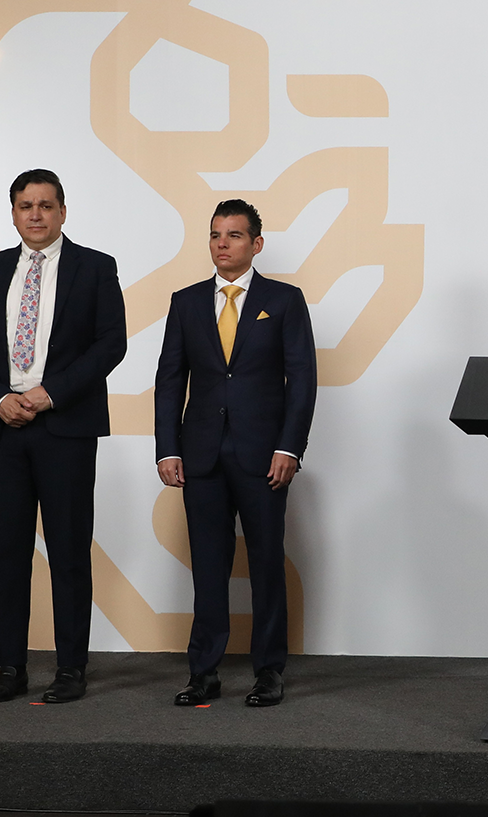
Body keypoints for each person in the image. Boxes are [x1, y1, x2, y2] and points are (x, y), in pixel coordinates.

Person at [0, 169, 127, 703]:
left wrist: (49, 393)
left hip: (65, 429)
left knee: (69, 552)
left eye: (46, 205)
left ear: (62, 212)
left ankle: (71, 668)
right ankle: (10, 666)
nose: (35, 214)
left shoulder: (95, 267)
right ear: (13, 214)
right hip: (3, 429)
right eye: (25, 205)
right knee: (7, 553)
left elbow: (111, 344)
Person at [154, 199, 316, 708]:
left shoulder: (284, 300)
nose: (222, 244)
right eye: (215, 235)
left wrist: (289, 446)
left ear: (257, 244)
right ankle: (203, 672)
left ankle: (268, 672)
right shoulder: (185, 302)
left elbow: (302, 379)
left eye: (234, 235)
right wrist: (167, 449)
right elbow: (169, 380)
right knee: (208, 566)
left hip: (264, 455)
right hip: (200, 454)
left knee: (266, 562)